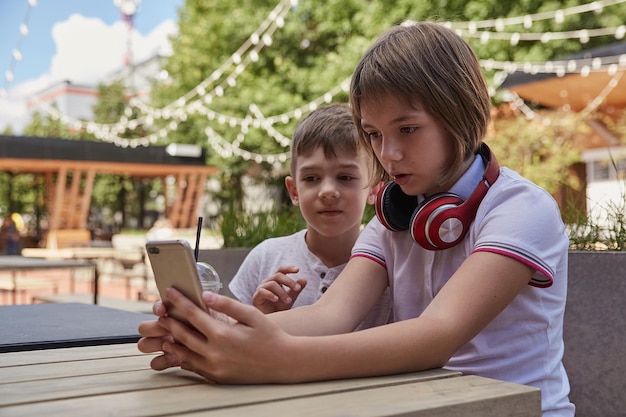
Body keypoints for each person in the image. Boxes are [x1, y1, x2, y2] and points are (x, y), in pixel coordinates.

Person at [138, 22, 574, 416]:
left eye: (406, 129)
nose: (387, 154)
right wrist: (214, 334)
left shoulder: (522, 208)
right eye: (373, 134)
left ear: (459, 115)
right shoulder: (394, 215)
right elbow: (331, 316)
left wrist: (279, 359)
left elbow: (437, 334)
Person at [228, 103, 392, 329]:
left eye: (345, 177)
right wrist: (261, 318)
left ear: (374, 189)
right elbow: (235, 340)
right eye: (312, 179)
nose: (327, 191)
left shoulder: (391, 268)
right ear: (294, 191)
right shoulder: (265, 258)